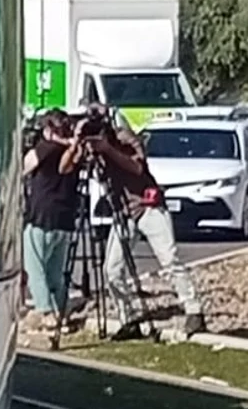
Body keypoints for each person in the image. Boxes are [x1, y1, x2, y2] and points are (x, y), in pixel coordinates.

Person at [80, 105, 207, 338]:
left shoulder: (124, 139)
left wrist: (108, 149)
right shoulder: (92, 148)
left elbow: (137, 167)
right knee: (112, 270)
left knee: (169, 260)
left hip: (149, 206)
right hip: (123, 213)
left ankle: (194, 310)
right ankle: (128, 318)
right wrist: (80, 144)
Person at [21, 109, 81, 340]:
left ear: (48, 129)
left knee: (35, 267)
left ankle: (45, 312)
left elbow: (25, 166)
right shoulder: (74, 152)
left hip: (41, 216)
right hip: (65, 219)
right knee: (56, 272)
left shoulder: (46, 149)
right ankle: (61, 312)